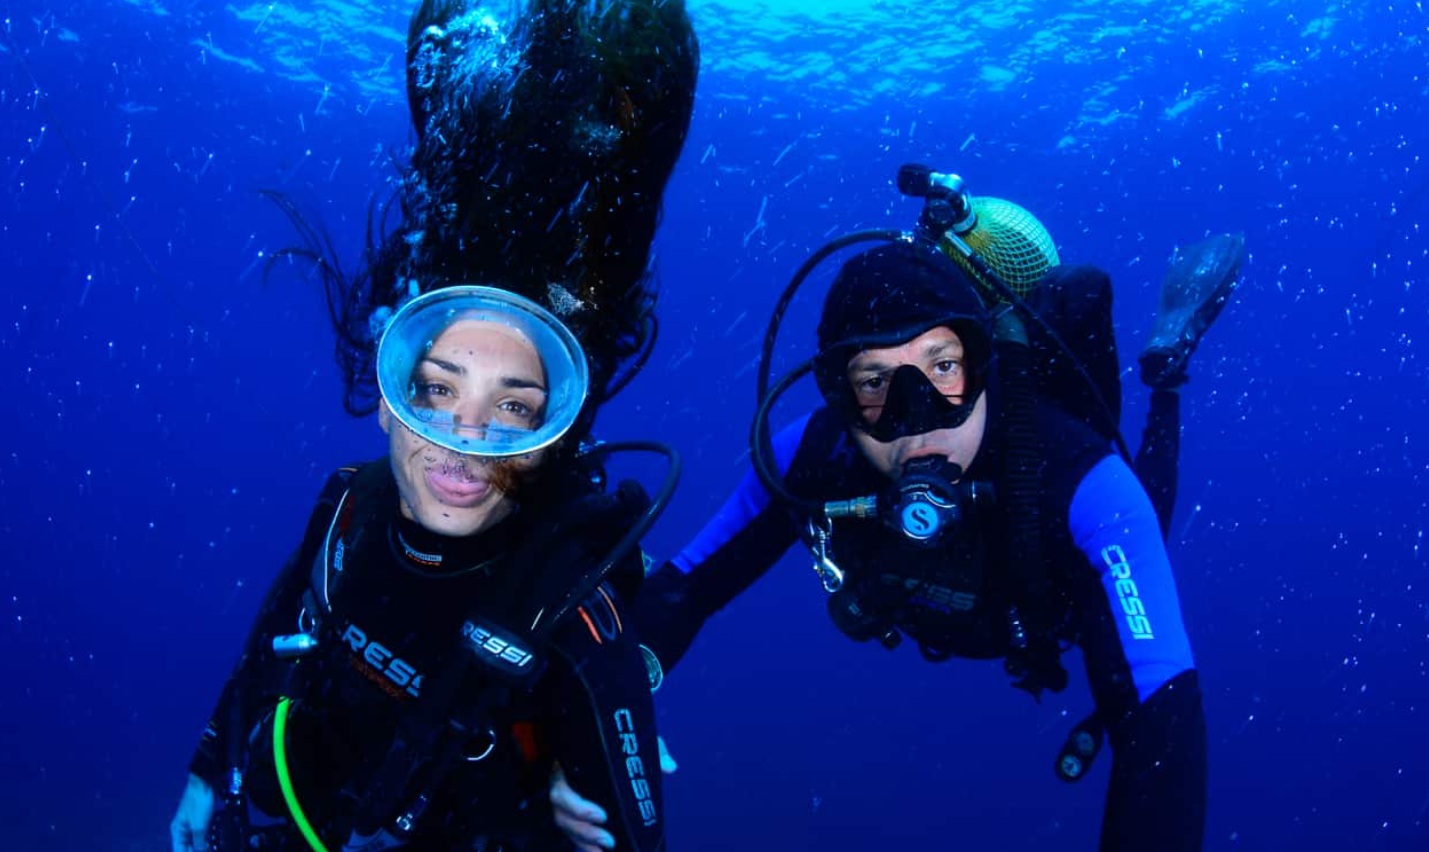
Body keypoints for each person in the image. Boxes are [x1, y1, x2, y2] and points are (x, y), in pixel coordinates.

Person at [553, 165, 1244, 851]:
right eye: (875, 382)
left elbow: (1161, 723)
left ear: (982, 365)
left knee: (1148, 509)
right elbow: (684, 588)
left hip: (1056, 587)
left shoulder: (1083, 481)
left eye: (942, 367)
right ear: (836, 393)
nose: (915, 421)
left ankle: (1167, 364)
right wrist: (595, 729)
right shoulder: (811, 455)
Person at [170, 0, 698, 849]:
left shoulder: (570, 613)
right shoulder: (349, 505)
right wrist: (205, 767)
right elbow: (277, 627)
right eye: (436, 392)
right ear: (387, 398)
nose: (465, 437)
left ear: (552, 429)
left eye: (514, 408)